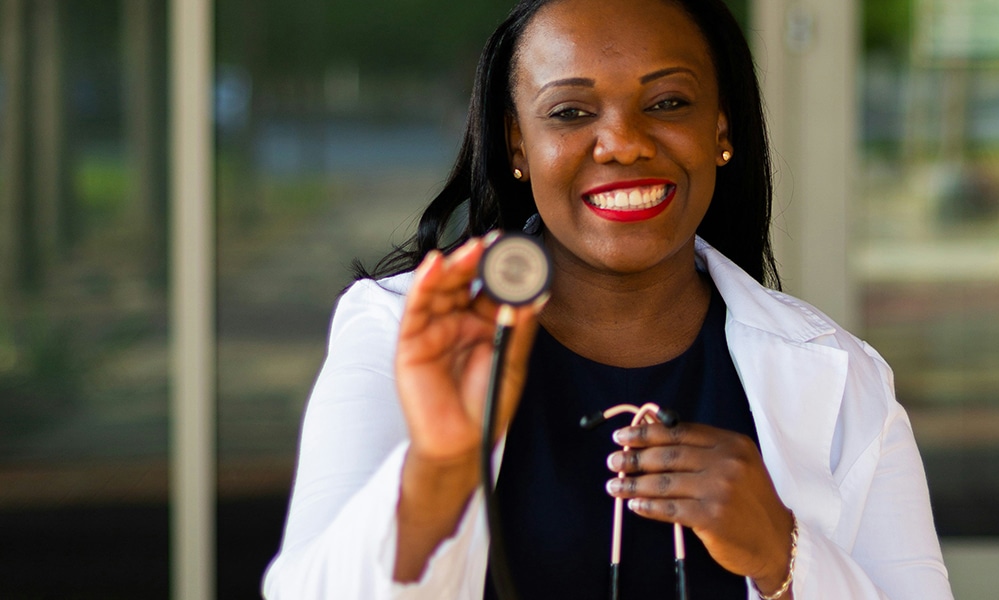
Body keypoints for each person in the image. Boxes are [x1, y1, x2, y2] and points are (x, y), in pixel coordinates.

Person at [262, 0, 953, 598]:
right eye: (569, 111)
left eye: (668, 103)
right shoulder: (396, 334)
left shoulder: (841, 378)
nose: (623, 142)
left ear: (722, 130)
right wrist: (439, 471)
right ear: (517, 144)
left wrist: (784, 556)